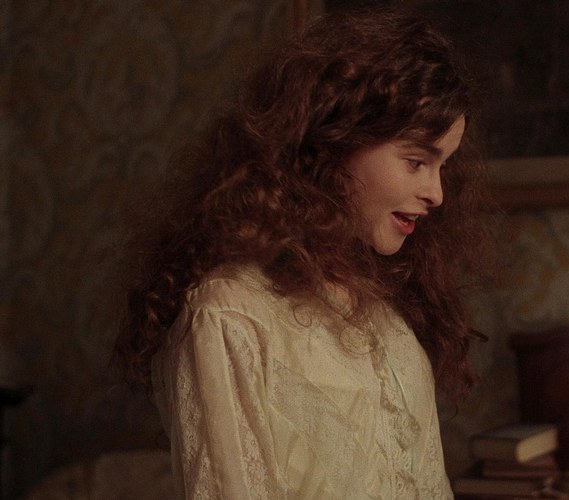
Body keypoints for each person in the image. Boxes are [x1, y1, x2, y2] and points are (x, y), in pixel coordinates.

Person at [113, 6, 496, 500]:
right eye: (416, 161)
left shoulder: (382, 313)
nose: (437, 193)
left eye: (443, 166)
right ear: (335, 143)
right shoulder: (229, 317)